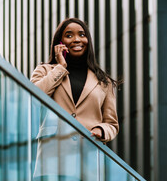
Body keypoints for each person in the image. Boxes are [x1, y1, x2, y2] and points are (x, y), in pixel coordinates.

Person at [30, 18, 119, 180]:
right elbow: (34, 98)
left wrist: (101, 130)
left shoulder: (104, 81)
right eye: (69, 35)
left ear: (88, 41)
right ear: (60, 42)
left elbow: (112, 124)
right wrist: (60, 66)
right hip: (52, 159)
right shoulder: (45, 70)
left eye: (82, 35)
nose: (77, 39)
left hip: (88, 160)